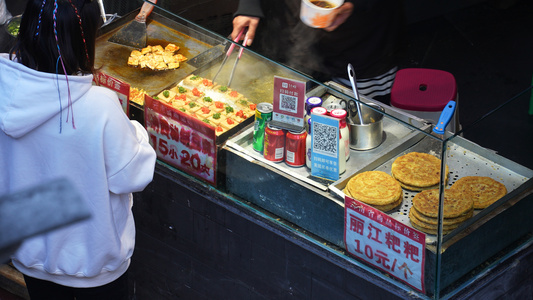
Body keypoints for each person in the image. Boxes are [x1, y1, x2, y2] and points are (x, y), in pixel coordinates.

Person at [0, 0, 157, 299]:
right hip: (94, 264)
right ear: (83, 41)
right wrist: (137, 132)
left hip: (31, 256)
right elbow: (133, 176)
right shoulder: (100, 106)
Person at [231, 0, 406, 104]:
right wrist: (249, 6)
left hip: (361, 45)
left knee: (357, 117)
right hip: (294, 38)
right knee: (287, 112)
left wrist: (356, 4)